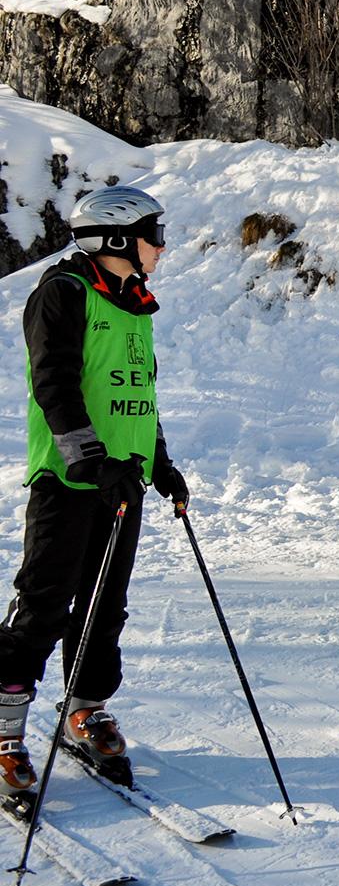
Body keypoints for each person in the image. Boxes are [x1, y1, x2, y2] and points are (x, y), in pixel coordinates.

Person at [0, 187, 187, 791]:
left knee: (106, 605)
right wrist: (90, 457)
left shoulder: (134, 304)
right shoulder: (64, 293)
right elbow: (53, 384)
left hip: (122, 482)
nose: (160, 245)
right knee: (45, 605)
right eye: (151, 233)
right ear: (113, 238)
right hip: (68, 480)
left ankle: (83, 707)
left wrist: (159, 462)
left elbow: (137, 396)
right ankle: (5, 730)